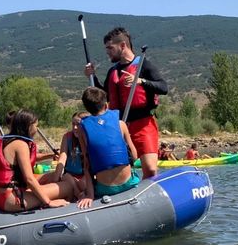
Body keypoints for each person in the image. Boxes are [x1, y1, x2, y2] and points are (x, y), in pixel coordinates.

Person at [84, 27, 168, 179]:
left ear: (122, 45)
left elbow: (163, 87)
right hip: (119, 126)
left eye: (110, 48)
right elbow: (104, 97)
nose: (107, 52)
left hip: (143, 124)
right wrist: (93, 78)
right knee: (120, 170)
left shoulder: (144, 65)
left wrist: (141, 81)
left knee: (150, 169)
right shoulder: (112, 72)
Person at [0, 109, 74, 212]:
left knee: (51, 176)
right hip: (12, 199)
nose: (37, 129)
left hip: (0, 195)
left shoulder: (4, 140)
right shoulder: (21, 144)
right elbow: (29, 179)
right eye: (36, 125)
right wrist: (49, 202)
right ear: (29, 126)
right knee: (67, 186)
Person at [76, 87, 139, 209]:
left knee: (82, 186)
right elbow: (135, 156)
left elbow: (87, 165)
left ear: (87, 108)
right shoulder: (121, 124)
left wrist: (90, 195)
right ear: (106, 105)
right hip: (128, 183)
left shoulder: (82, 129)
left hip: (105, 188)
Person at [39, 111, 90, 198]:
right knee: (66, 177)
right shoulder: (67, 137)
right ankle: (78, 194)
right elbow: (63, 157)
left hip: (85, 175)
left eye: (78, 124)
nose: (74, 127)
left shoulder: (89, 137)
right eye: (73, 124)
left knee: (83, 184)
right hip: (69, 175)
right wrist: (56, 178)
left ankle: (78, 193)